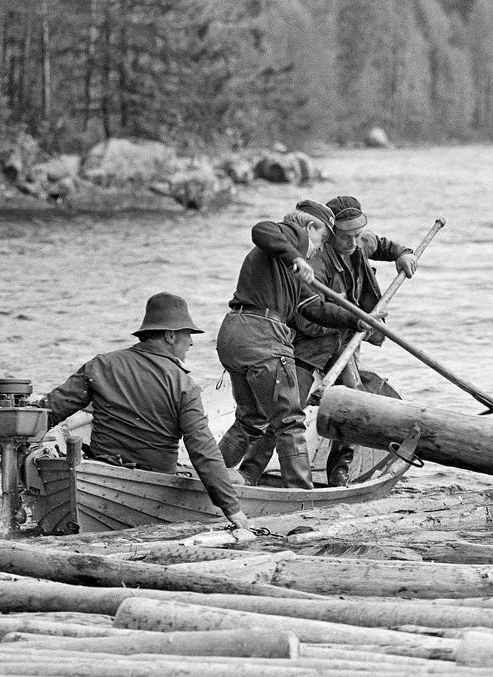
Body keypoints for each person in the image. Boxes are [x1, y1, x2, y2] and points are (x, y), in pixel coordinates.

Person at [36, 292, 251, 529]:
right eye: (187, 334)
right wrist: (232, 509)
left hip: (100, 470)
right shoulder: (184, 387)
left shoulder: (101, 365)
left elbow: (49, 412)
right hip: (152, 483)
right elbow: (202, 450)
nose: (191, 342)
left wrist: (18, 438)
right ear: (170, 336)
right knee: (236, 478)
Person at [216, 200, 365, 489]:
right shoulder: (292, 238)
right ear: (310, 227)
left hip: (233, 333)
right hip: (262, 336)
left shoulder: (290, 269)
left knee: (252, 418)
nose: (321, 247)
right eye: (322, 237)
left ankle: (211, 474)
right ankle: (301, 494)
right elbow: (261, 229)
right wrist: (297, 257)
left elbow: (316, 310)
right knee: (290, 421)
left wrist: (359, 321)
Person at [290, 195, 417, 486]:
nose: (352, 243)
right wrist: (352, 319)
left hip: (346, 340)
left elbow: (382, 245)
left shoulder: (360, 242)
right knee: (289, 407)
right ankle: (253, 470)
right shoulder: (316, 263)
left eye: (356, 235)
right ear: (329, 233)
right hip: (310, 342)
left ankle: (339, 471)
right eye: (345, 236)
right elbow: (308, 315)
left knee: (354, 398)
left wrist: (403, 254)